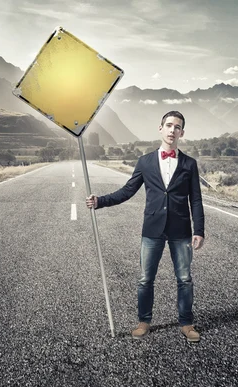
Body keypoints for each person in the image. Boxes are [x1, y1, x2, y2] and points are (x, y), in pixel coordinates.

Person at [86, 111, 204, 343]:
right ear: (160, 128)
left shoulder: (190, 164)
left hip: (181, 230)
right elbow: (127, 191)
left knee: (184, 279)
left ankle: (187, 324)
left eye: (177, 127)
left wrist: (198, 230)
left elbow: (196, 199)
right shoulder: (145, 162)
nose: (172, 130)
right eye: (168, 125)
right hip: (152, 228)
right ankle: (143, 321)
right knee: (145, 279)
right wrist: (100, 201)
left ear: (182, 132)